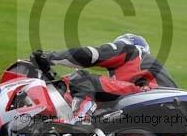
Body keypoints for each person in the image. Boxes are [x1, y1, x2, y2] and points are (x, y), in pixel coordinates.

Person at [32, 33, 177, 124]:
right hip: (170, 115)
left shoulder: (130, 50)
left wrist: (50, 57)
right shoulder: (147, 69)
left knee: (82, 78)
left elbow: (91, 55)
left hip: (145, 94)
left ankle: (79, 119)